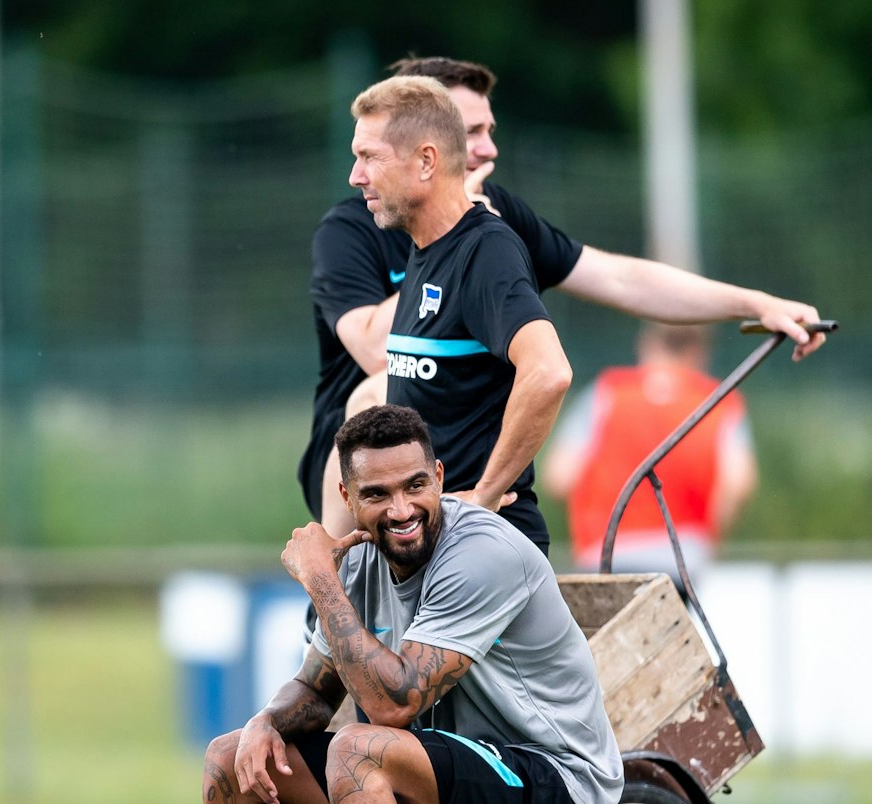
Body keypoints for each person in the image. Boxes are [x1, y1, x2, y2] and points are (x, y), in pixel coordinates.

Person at [154, 405, 621, 804]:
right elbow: (314, 695)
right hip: (444, 782)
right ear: (348, 497)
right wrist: (264, 723)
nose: (401, 508)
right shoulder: (362, 564)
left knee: (360, 746)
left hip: (552, 785)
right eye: (376, 493)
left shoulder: (481, 550)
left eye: (414, 486)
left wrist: (319, 578)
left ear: (439, 475)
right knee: (231, 755)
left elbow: (394, 701)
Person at [303, 56, 823, 546]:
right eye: (472, 131)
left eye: (489, 131)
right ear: (428, 148)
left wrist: (756, 303)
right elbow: (378, 351)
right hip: (360, 476)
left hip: (460, 489)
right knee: (371, 398)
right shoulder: (350, 230)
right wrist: (447, 243)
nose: (487, 149)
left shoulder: (493, 222)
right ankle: (334, 591)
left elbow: (618, 278)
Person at [542, 324, 756, 583]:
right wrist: (709, 538)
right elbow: (738, 484)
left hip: (604, 555)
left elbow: (558, 479)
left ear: (647, 343)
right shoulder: (718, 401)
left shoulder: (606, 393)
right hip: (681, 561)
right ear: (700, 351)